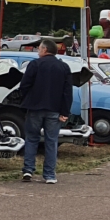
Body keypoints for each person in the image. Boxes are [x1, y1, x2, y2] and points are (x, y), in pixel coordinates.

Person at [15, 37, 72, 184]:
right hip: (54, 109)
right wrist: (65, 112)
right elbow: (67, 92)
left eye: (39, 48)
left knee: (32, 138)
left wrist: (25, 100)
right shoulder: (64, 67)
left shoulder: (35, 65)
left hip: (34, 108)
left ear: (45, 49)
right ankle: (49, 175)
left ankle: (28, 170)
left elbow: (24, 85)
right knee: (51, 141)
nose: (38, 51)